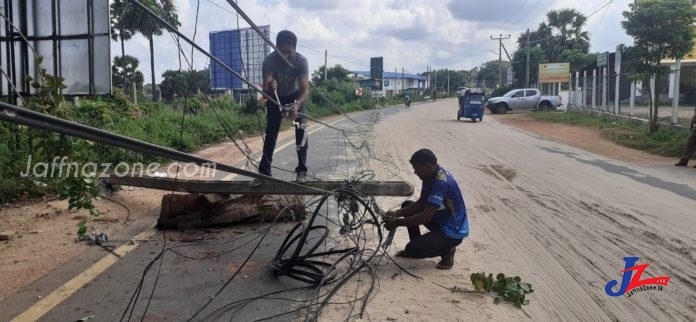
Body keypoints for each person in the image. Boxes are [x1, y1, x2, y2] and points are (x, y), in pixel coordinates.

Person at [383, 148, 469, 269]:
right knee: (407, 205)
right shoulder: (429, 176)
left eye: (417, 168)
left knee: (412, 250)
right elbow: (421, 203)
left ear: (427, 166)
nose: (415, 172)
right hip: (441, 220)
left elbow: (426, 216)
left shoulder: (441, 183)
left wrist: (397, 223)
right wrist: (396, 213)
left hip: (452, 231)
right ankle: (418, 243)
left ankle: (447, 250)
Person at [252, 30, 309, 186]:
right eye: (281, 53)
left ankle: (302, 170)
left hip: (295, 96)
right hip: (275, 97)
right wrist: (271, 88)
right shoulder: (269, 61)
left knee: (301, 128)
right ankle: (264, 172)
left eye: (289, 53)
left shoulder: (301, 61)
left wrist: (297, 104)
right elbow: (265, 90)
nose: (285, 57)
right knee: (271, 132)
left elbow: (305, 90)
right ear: (276, 48)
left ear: (295, 49)